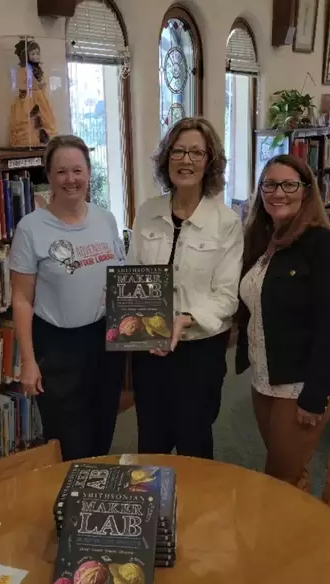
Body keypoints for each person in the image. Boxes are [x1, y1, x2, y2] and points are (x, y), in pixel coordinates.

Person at [127, 117, 243, 459]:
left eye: (196, 152)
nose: (186, 160)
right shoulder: (148, 211)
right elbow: (134, 275)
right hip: (150, 348)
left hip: (199, 353)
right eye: (178, 151)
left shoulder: (227, 222)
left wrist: (185, 319)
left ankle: (196, 512)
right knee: (151, 441)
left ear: (209, 162)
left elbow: (226, 297)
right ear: (167, 159)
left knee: (194, 443)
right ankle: (152, 510)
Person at [9, 135, 127, 461]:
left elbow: (120, 278)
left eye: (77, 170)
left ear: (89, 173)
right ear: (49, 176)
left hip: (105, 339)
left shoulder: (105, 219)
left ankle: (95, 497)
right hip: (58, 345)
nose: (70, 180)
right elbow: (21, 299)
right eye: (61, 172)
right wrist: (28, 361)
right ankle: (69, 507)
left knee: (103, 428)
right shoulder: (31, 229)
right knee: (69, 441)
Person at [235, 154, 330, 492]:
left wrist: (314, 396)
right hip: (265, 376)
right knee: (289, 467)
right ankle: (302, 532)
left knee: (279, 477)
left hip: (302, 382)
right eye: (270, 185)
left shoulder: (321, 245)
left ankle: (286, 541)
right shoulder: (262, 238)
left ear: (306, 191)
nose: (278, 193)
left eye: (289, 185)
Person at [9, 38, 58, 148]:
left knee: (44, 119)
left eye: (37, 53)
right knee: (29, 120)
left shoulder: (38, 70)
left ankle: (42, 138)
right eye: (32, 53)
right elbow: (22, 85)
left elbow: (43, 83)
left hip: (40, 98)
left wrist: (41, 87)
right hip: (28, 99)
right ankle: (30, 140)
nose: (36, 56)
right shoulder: (23, 70)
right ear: (26, 55)